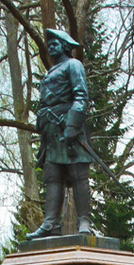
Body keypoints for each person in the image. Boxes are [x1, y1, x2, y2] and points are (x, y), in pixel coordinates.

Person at [27, 29, 93, 238]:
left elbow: (81, 97)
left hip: (67, 127)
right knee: (52, 176)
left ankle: (84, 221)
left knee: (78, 175)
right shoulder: (50, 72)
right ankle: (50, 224)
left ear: (66, 45)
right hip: (51, 131)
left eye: (56, 42)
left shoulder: (74, 65)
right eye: (50, 43)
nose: (51, 45)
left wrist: (72, 127)